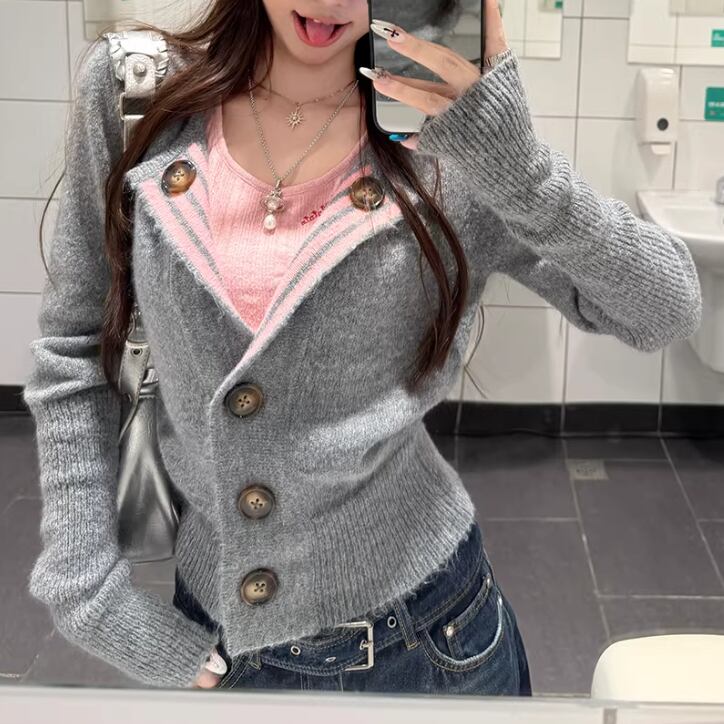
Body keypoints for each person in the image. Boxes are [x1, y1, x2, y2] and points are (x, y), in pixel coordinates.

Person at [23, 0, 701, 696]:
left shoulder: (454, 137)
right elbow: (75, 346)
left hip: (431, 644)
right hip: (219, 634)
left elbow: (665, 308)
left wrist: (518, 167)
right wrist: (85, 587)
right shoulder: (139, 93)